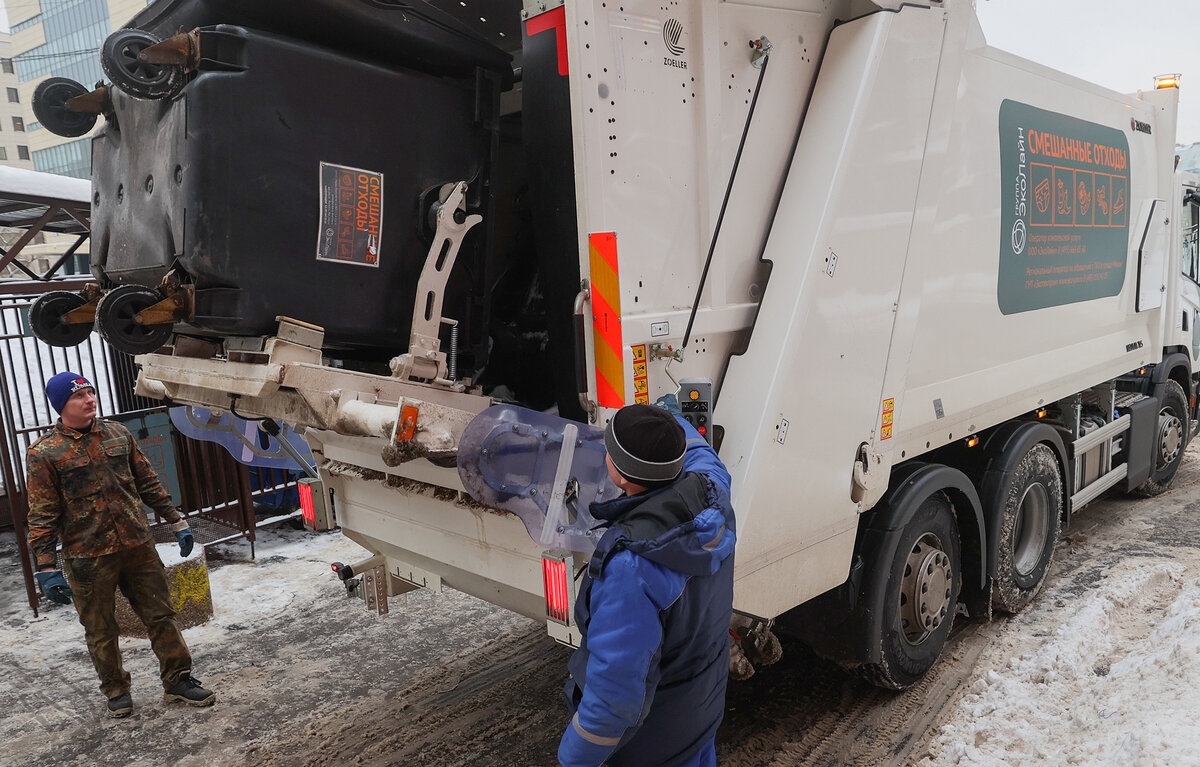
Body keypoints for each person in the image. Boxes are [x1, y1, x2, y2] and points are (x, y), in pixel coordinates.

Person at [25, 371, 216, 718]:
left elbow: (147, 481)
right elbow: (42, 513)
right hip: (87, 556)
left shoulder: (118, 433)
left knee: (161, 615)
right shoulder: (45, 453)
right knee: (100, 629)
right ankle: (115, 690)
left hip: (137, 546)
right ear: (61, 406)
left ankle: (179, 681)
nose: (89, 400)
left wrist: (177, 520)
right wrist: (46, 565)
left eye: (91, 393)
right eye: (79, 397)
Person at [558, 398, 736, 767]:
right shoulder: (713, 495)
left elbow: (614, 699)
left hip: (654, 740)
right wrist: (663, 414)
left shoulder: (630, 568)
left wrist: (573, 757)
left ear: (619, 476)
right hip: (699, 707)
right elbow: (700, 451)